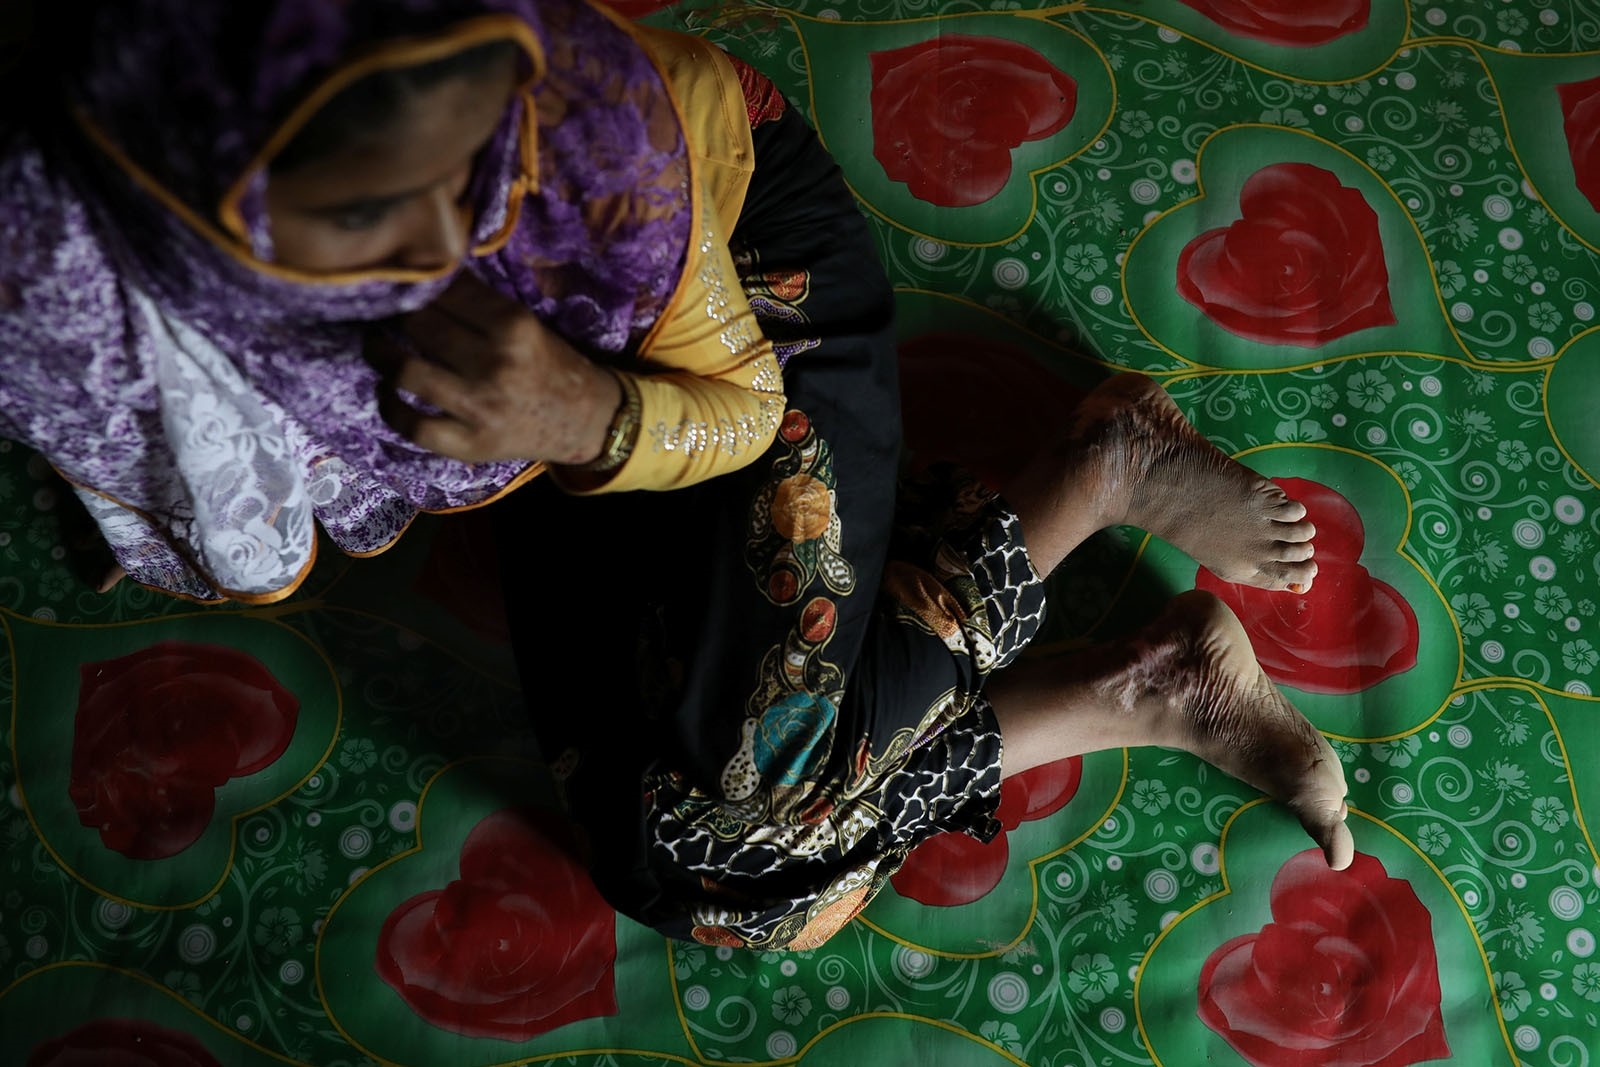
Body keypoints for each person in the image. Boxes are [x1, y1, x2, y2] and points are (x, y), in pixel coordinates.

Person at [0, 0, 1351, 951]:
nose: (450, 241)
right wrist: (171, 460)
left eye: (467, 163)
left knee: (752, 806)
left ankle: (1100, 472)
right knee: (734, 887)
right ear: (167, 199)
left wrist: (582, 411)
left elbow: (739, 411)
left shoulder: (589, 153)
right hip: (543, 425)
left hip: (741, 314)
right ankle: (1147, 686)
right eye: (367, 212)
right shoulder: (53, 246)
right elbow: (138, 379)